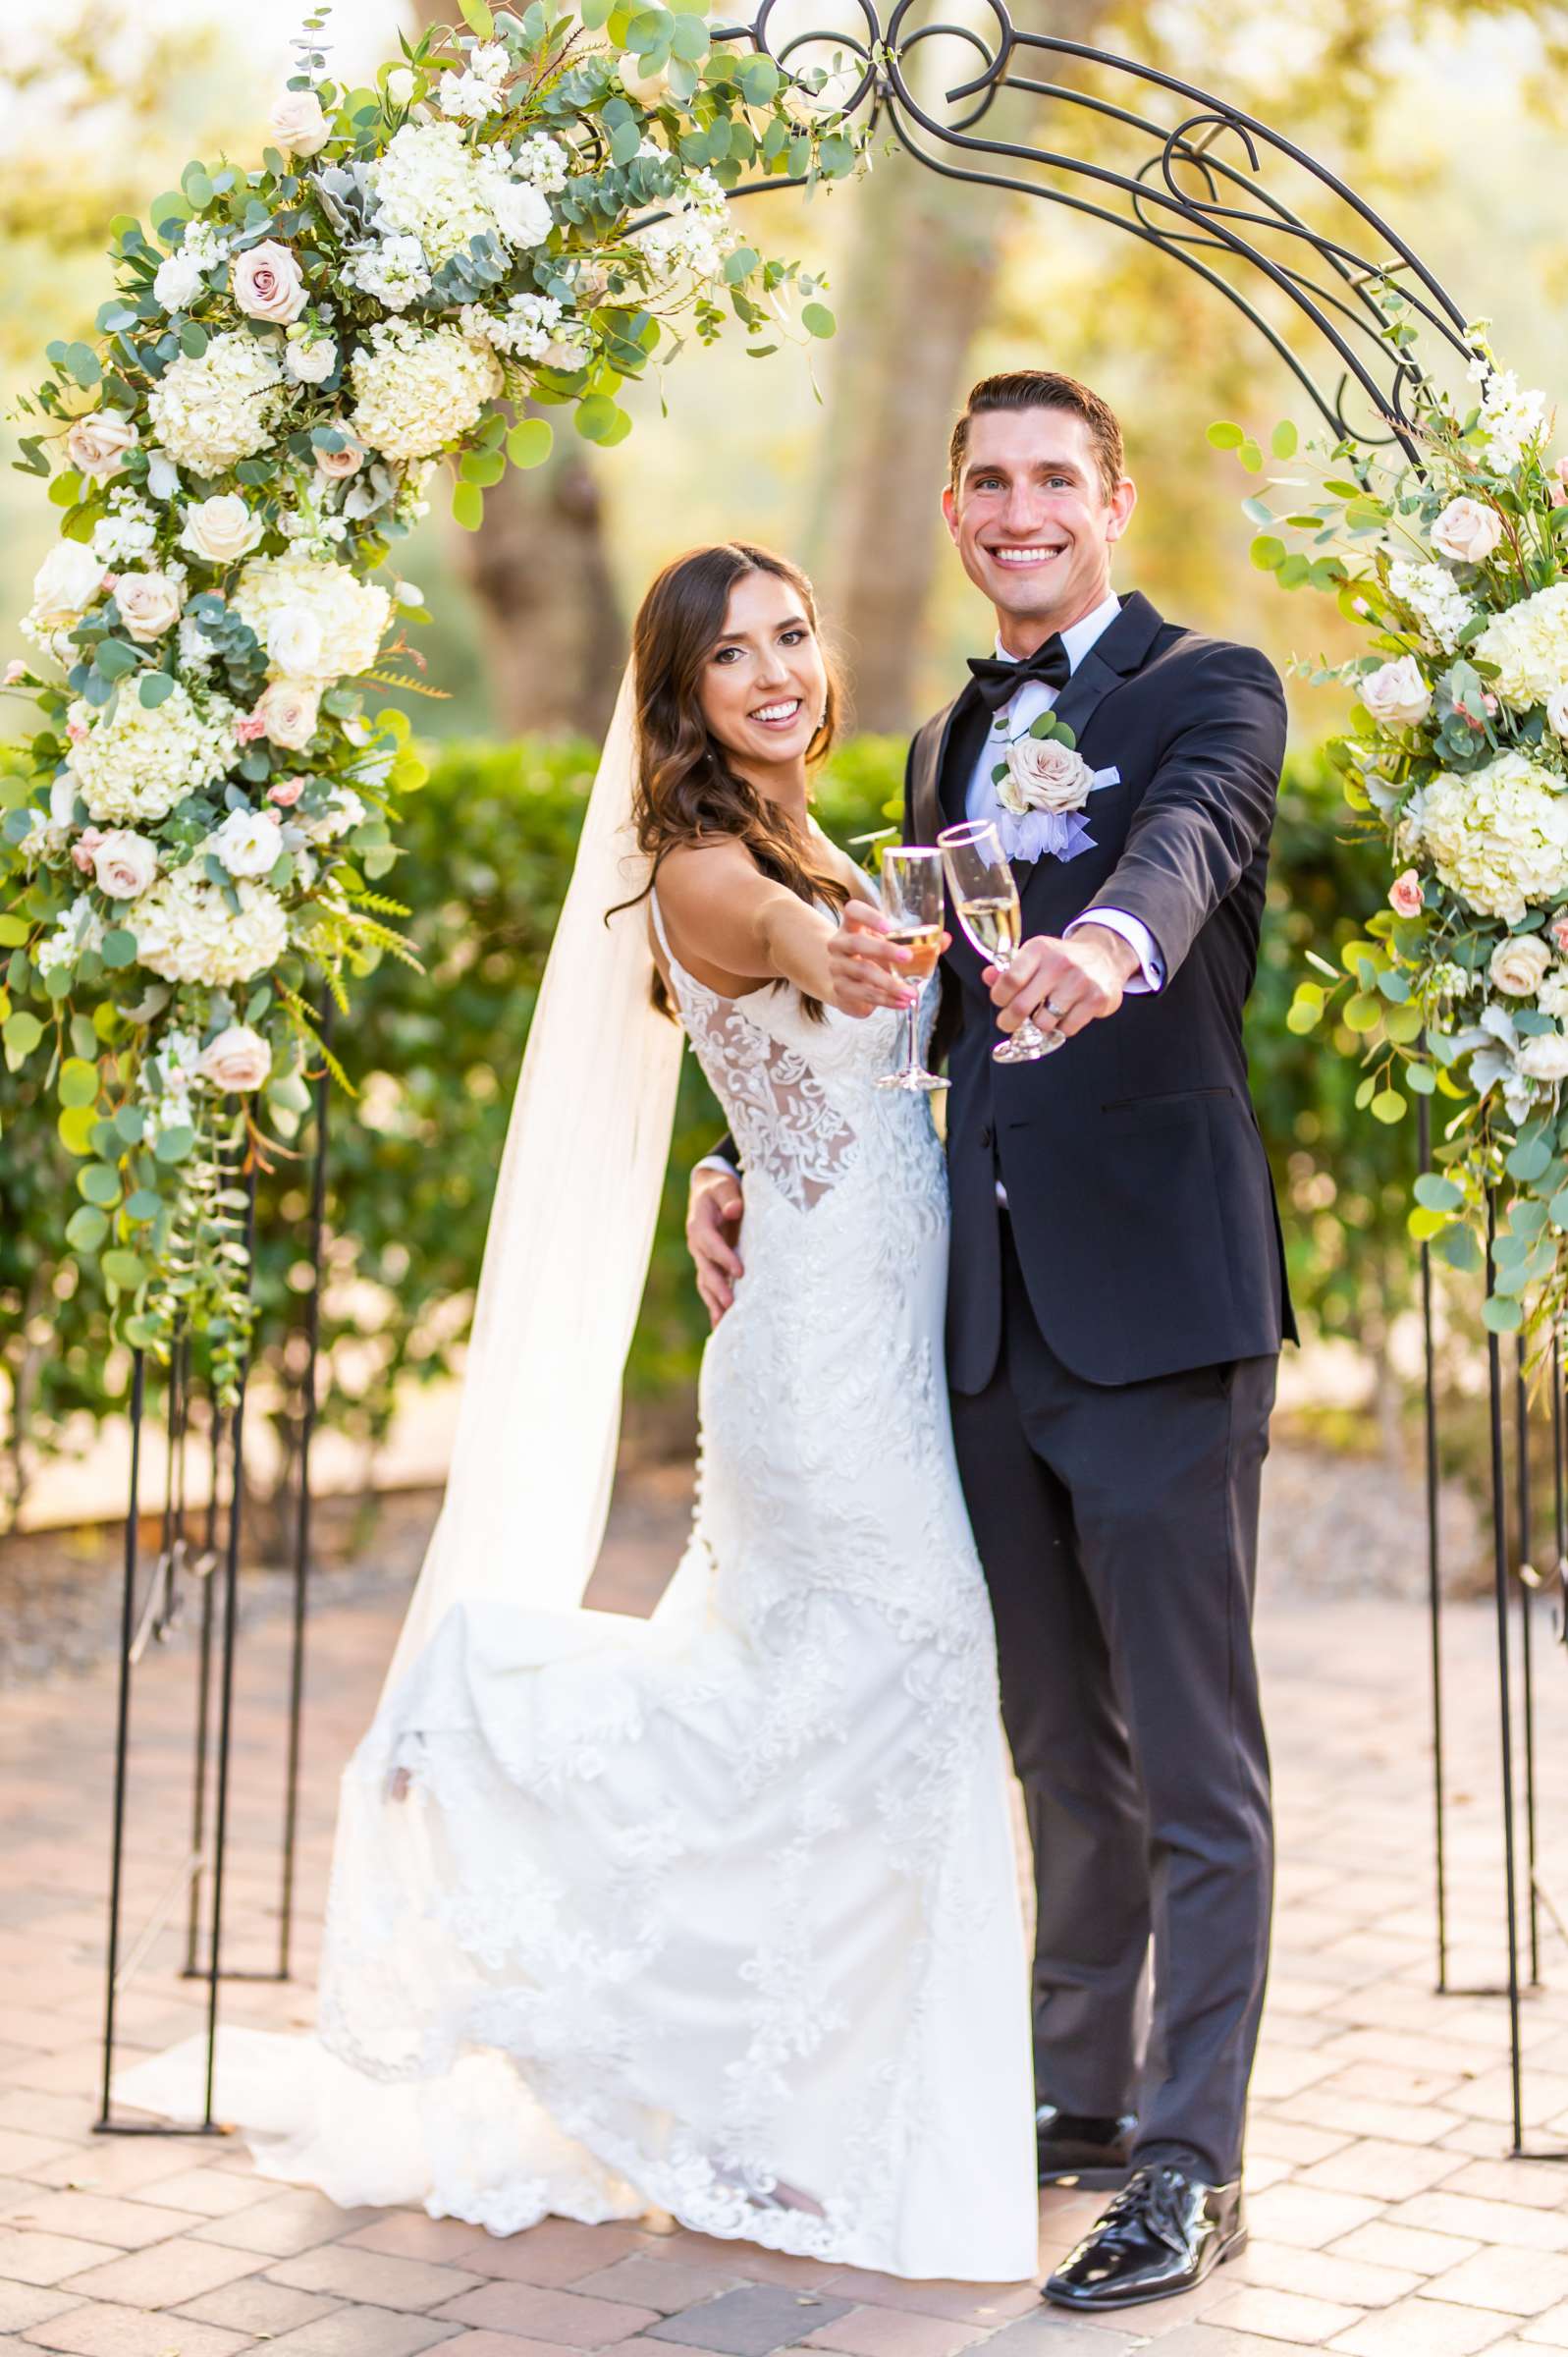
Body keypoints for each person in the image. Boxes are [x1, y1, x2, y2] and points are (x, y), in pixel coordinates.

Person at [120, 540, 1038, 2287]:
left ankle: (809, 2108)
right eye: (730, 657)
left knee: (833, 1719)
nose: (773, 671)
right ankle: (489, 1714)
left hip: (857, 1333)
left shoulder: (807, 827)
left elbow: (795, 1084)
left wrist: (739, 1148)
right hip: (824, 1375)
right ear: (677, 696)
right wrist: (832, 956)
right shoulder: (709, 865)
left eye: (791, 632)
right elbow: (772, 954)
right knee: (891, 1689)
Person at [689, 371, 1294, 2314]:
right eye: (990, 484)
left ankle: (1192, 2167)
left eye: (1056, 477)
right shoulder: (946, 727)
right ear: (954, 512)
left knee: (1196, 1761)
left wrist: (1096, 949)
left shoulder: (1211, 687)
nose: (1022, 509)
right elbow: (885, 1016)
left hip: (1160, 1307)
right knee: (1056, 1747)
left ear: (1111, 496)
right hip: (977, 1326)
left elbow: (1186, 851)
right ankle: (1075, 2102)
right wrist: (745, 1167)